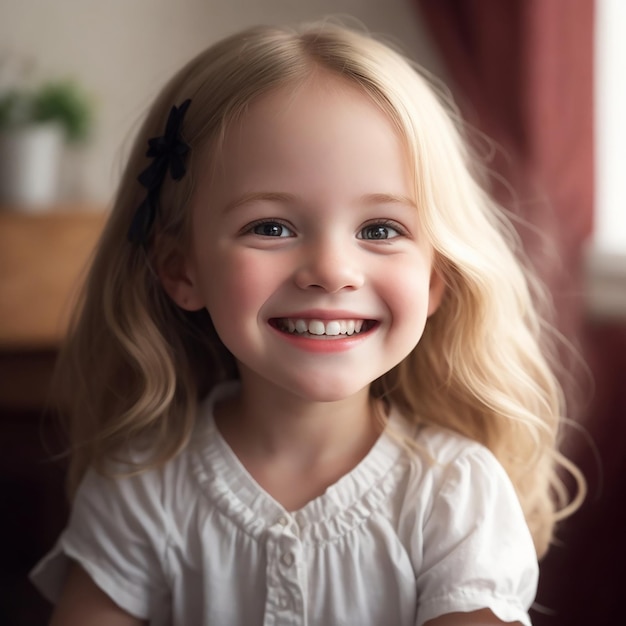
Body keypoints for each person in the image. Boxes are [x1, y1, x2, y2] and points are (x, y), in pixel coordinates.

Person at [31, 20, 584, 626]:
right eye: (270, 227)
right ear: (180, 269)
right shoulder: (142, 485)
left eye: (380, 230)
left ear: (433, 279)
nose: (331, 271)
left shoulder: (454, 494)